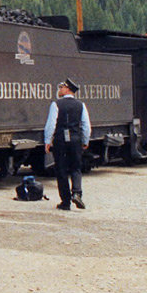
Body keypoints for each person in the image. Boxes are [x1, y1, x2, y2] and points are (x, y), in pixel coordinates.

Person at [43, 78, 91, 211]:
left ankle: (65, 202)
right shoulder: (81, 105)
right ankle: (77, 193)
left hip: (60, 140)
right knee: (76, 167)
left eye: (61, 87)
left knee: (61, 170)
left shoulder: (56, 104)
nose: (59, 90)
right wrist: (85, 141)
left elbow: (51, 124)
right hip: (76, 139)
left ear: (67, 89)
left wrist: (47, 140)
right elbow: (86, 125)